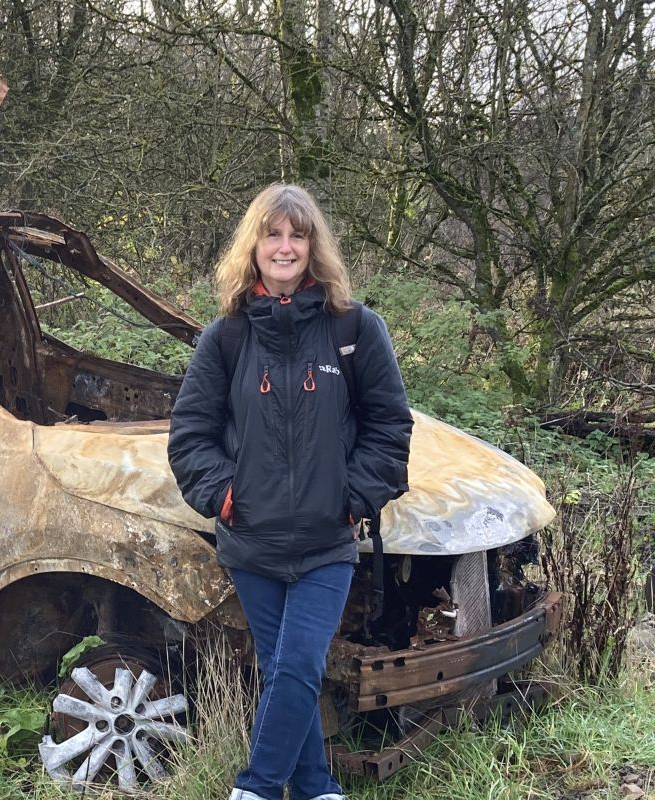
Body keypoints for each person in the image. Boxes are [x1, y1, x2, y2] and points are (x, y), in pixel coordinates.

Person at [168, 183, 412, 800]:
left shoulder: (354, 330)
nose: (284, 247)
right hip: (251, 542)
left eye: (296, 236)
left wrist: (351, 498)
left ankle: (254, 788)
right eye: (272, 234)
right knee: (285, 671)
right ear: (253, 247)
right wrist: (227, 497)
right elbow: (190, 435)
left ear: (313, 247)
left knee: (300, 664)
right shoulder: (224, 338)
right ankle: (318, 788)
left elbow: (390, 426)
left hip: (326, 542)